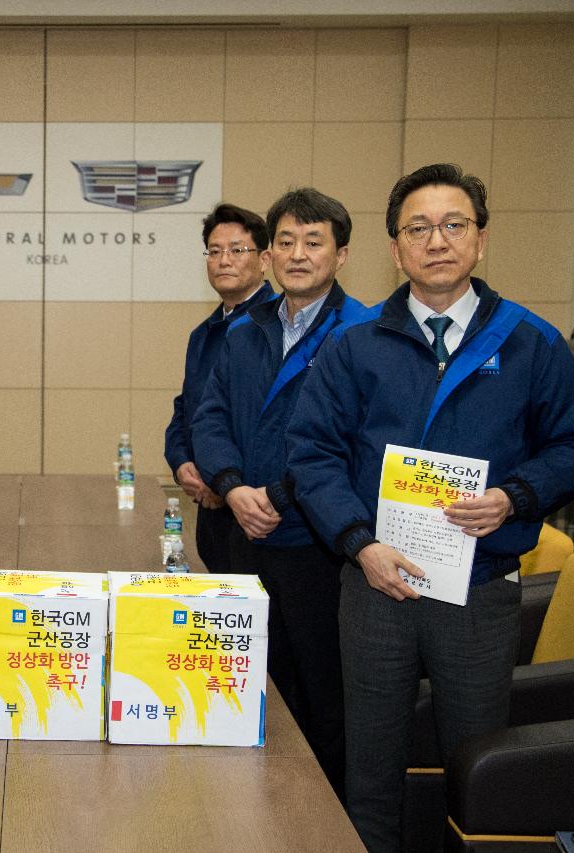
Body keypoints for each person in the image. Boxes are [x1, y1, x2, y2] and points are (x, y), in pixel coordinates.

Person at [286, 163, 574, 852]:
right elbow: (311, 454)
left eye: (454, 225)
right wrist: (358, 543)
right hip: (375, 584)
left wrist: (514, 496)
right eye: (419, 228)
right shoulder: (356, 343)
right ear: (396, 247)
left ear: (481, 239)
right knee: (369, 772)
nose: (438, 241)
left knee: (474, 768)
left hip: (481, 589)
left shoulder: (528, 340)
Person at [191, 187, 366, 797]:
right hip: (245, 536)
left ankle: (318, 820)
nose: (298, 254)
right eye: (286, 241)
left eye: (314, 242)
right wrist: (234, 487)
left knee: (320, 699)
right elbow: (208, 418)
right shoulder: (245, 331)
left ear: (341, 254)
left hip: (318, 547)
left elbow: (352, 443)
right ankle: (258, 811)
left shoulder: (364, 333)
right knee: (250, 685)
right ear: (269, 255)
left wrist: (280, 498)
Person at [163, 203, 275, 573]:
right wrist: (182, 463)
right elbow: (188, 408)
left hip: (261, 512)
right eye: (214, 251)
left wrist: (221, 478)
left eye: (237, 250)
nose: (224, 260)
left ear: (264, 260)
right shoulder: (203, 333)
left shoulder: (279, 329)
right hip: (210, 510)